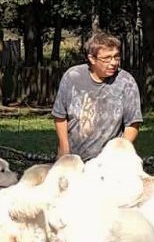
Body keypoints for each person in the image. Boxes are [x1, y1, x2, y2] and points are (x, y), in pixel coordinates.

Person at [51, 31, 143, 161]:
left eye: (116, 57)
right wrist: (65, 150)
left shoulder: (126, 81)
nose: (113, 63)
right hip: (75, 158)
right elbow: (60, 116)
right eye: (107, 58)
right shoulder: (72, 77)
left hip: (109, 161)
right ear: (92, 58)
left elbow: (132, 123)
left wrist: (120, 152)